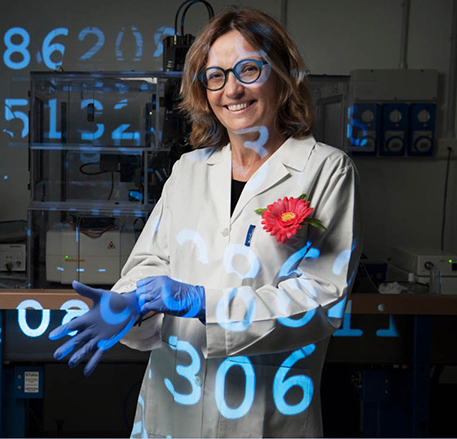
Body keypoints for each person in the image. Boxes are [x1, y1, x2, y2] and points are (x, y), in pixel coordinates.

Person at [49, 7, 362, 438]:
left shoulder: (325, 170)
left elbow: (322, 299)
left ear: (282, 74)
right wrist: (132, 304)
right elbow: (150, 263)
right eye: (215, 76)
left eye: (248, 69)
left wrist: (201, 301)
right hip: (174, 405)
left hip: (266, 411)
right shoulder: (189, 170)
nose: (231, 89)